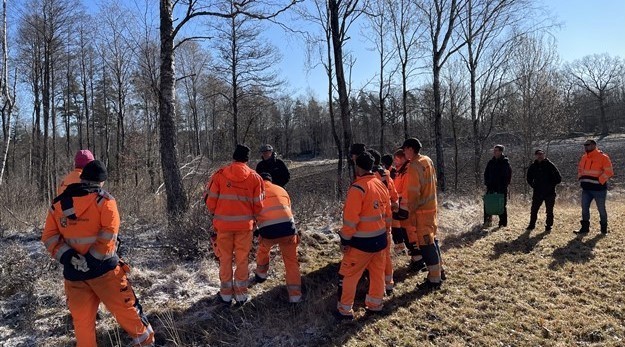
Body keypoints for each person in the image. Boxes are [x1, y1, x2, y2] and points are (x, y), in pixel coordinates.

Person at [42, 160, 154, 347]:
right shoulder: (106, 202)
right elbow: (109, 234)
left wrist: (70, 257)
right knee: (127, 311)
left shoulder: (58, 205)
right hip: (106, 272)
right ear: (101, 182)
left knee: (82, 324)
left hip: (74, 275)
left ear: (82, 177)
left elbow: (49, 237)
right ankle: (146, 343)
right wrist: (92, 260)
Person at [205, 145, 265, 304]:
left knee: (224, 259)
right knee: (242, 259)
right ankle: (241, 295)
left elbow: (210, 201)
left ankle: (225, 295)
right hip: (245, 228)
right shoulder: (255, 178)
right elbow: (259, 206)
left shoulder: (219, 175)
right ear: (247, 159)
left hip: (223, 227)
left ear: (233, 157)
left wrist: (218, 214)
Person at [336, 152, 390, 319]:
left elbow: (351, 220)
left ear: (358, 167)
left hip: (361, 242)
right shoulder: (380, 184)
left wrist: (345, 239)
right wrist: (386, 232)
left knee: (350, 275)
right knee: (377, 274)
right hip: (380, 239)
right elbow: (387, 213)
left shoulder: (358, 188)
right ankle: (375, 305)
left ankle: (345, 310)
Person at [253, 172, 302, 303]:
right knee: (291, 262)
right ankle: (295, 296)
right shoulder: (282, 189)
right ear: (271, 180)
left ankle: (261, 275)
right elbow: (288, 210)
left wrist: (256, 230)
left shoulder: (256, 192)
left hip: (268, 232)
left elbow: (253, 214)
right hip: (288, 230)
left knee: (263, 249)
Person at [402, 138, 443, 290]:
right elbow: (434, 181)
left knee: (426, 245)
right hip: (432, 208)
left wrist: (410, 213)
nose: (404, 152)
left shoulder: (414, 166)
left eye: (405, 149)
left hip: (422, 211)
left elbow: (413, 193)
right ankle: (440, 271)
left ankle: (434, 280)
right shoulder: (428, 160)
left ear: (411, 149)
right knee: (432, 240)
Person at [368, 148, 398, 294]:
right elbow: (394, 196)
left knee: (375, 257)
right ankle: (389, 283)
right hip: (387, 218)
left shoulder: (370, 177)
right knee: (386, 253)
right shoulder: (386, 174)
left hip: (374, 220)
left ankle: (376, 287)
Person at [391, 149, 425, 271]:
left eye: (397, 159)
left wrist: (403, 208)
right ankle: (415, 258)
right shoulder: (400, 172)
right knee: (406, 234)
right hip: (402, 207)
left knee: (411, 234)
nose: (395, 161)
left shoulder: (408, 172)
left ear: (404, 158)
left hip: (408, 209)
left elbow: (406, 192)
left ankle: (419, 260)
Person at [575, 139, 614, 234]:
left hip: (599, 190)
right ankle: (584, 229)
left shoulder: (603, 157)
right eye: (584, 145)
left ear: (594, 145)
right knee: (584, 209)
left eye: (587, 145)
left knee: (601, 209)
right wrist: (581, 179)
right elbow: (580, 169)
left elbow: (609, 172)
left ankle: (603, 229)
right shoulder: (584, 157)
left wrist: (600, 181)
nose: (585, 146)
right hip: (586, 189)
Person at [526, 149, 562, 231]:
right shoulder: (533, 166)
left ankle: (549, 226)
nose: (540, 156)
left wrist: (551, 185)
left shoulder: (550, 165)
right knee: (534, 210)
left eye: (541, 154)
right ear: (535, 156)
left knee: (549, 211)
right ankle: (531, 225)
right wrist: (534, 186)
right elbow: (529, 178)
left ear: (544, 155)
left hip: (550, 193)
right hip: (537, 192)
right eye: (538, 154)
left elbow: (558, 178)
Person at [483, 144, 512, 228]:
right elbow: (486, 174)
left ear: (500, 152)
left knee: (501, 206)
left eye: (496, 150)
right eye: (494, 150)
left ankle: (502, 224)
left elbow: (508, 176)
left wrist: (503, 186)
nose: (494, 152)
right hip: (490, 187)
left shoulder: (505, 163)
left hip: (501, 188)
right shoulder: (491, 162)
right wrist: (487, 183)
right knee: (487, 205)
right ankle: (487, 222)